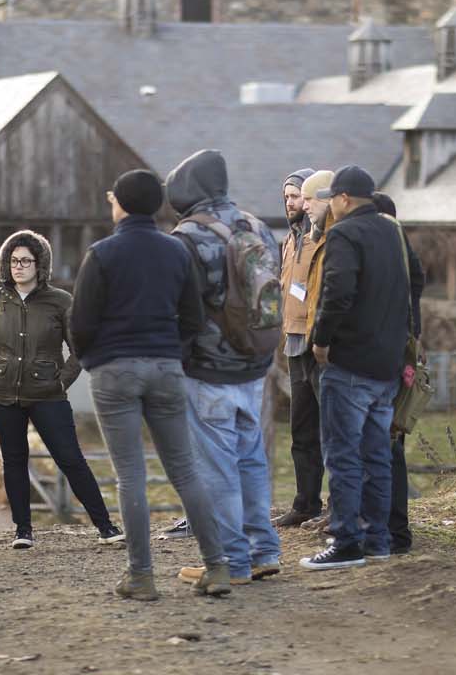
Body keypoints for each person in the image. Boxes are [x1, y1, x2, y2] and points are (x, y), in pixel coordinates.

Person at [69, 169, 233, 600]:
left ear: (120, 204)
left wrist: (93, 360)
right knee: (185, 471)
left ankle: (141, 577)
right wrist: (170, 354)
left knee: (130, 476)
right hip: (165, 368)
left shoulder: (102, 254)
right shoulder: (176, 251)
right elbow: (194, 319)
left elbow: (80, 323)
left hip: (114, 371)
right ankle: (217, 568)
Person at [165, 149, 283, 588]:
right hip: (256, 363)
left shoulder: (188, 237)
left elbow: (183, 312)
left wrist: (175, 363)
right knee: (252, 459)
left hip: (208, 370)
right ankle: (264, 551)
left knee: (217, 468)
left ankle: (231, 561)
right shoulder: (257, 226)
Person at [0, 229, 122, 549]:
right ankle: (23, 531)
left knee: (70, 458)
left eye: (26, 260)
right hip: (2, 395)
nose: (19, 266)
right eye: (13, 261)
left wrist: (61, 381)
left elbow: (79, 348)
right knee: (14, 460)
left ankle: (106, 526)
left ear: (40, 264)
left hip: (47, 396)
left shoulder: (60, 300)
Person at [300, 166, 411, 570]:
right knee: (377, 454)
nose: (330, 204)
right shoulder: (392, 231)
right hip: (387, 362)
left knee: (344, 456)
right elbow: (412, 283)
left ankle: (346, 540)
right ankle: (377, 539)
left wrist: (322, 340)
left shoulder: (344, 234)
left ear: (343, 198)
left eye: (332, 198)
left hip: (349, 362)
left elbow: (337, 291)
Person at [372, 191, 425, 556]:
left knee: (388, 449)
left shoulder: (392, 256)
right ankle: (395, 529)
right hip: (403, 357)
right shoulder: (406, 257)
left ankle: (395, 531)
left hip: (391, 360)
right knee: (391, 448)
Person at [277, 168, 329, 529]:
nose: (292, 203)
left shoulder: (323, 239)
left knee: (332, 429)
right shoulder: (289, 240)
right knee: (303, 430)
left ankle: (336, 505)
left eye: (296, 196)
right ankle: (305, 502)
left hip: (320, 344)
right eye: (287, 198)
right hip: (293, 343)